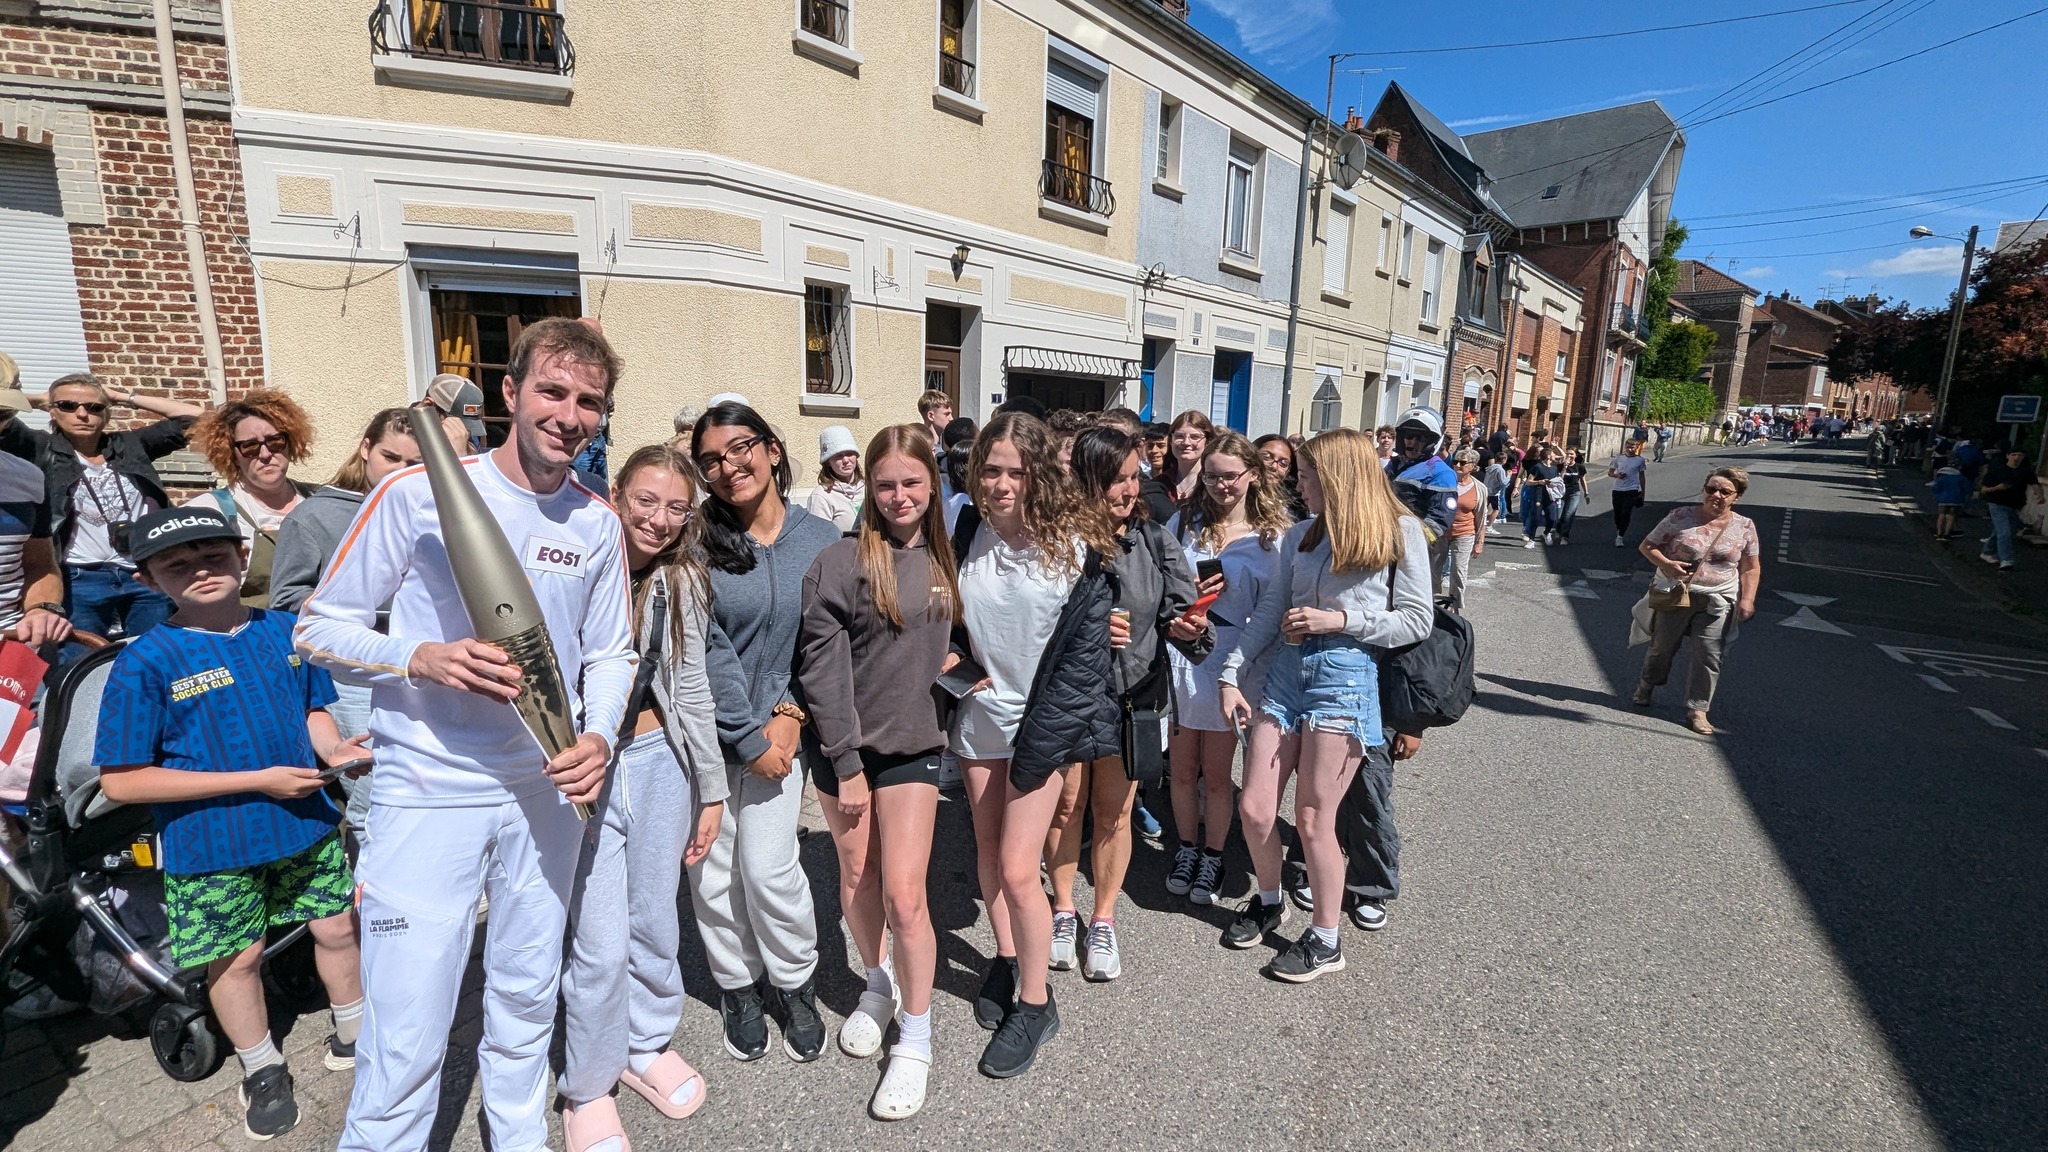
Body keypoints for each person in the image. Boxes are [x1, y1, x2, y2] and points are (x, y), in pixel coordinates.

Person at [298, 317, 635, 1152]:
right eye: (552, 392)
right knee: (408, 1022)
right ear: (511, 394)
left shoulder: (596, 522)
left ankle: (515, 1133)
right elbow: (318, 627)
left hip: (544, 791)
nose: (570, 414)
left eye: (589, 401)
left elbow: (611, 651)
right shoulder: (413, 496)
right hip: (428, 789)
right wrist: (421, 657)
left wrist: (598, 737)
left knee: (526, 992)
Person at [96, 506, 368, 1140]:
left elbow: (315, 709)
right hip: (209, 842)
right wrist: (257, 779)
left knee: (336, 928)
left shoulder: (285, 631)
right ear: (147, 577)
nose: (200, 571)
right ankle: (261, 1067)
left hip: (303, 822)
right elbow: (122, 779)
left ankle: (355, 1029)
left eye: (213, 556)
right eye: (177, 564)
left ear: (242, 557)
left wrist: (333, 753)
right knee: (236, 960)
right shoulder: (146, 662)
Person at [557, 444, 726, 1150]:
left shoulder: (680, 579)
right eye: (646, 501)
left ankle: (647, 1043)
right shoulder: (572, 562)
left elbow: (689, 686)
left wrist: (711, 787)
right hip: (583, 771)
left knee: (657, 918)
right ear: (617, 493)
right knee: (597, 943)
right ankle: (587, 1085)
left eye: (676, 507)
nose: (657, 519)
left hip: (659, 761)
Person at [1218, 428, 1431, 980]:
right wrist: (1232, 672)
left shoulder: (1399, 531)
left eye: (1308, 475)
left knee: (1314, 818)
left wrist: (1340, 620)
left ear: (1338, 478)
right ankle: (1269, 900)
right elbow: (1272, 612)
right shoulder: (1302, 535)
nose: (1298, 483)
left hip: (1346, 676)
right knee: (1256, 808)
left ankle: (1327, 939)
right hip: (1286, 674)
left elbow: (1417, 619)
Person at [951, 411, 1119, 1077]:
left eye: (1015, 471)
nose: (999, 483)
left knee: (1023, 868)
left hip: (1039, 734)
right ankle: (1006, 957)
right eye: (990, 469)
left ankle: (1036, 1002)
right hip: (976, 725)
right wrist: (955, 670)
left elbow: (1083, 670)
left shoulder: (1075, 549)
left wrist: (1042, 743)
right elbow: (945, 626)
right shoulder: (965, 531)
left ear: (1039, 475)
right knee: (989, 856)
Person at [797, 425, 958, 1119]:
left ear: (932, 485)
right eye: (885, 483)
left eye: (911, 483)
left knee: (905, 894)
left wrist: (965, 670)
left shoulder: (953, 560)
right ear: (868, 485)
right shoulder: (837, 563)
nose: (899, 496)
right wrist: (845, 761)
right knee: (856, 876)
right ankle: (877, 984)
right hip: (846, 752)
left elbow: (982, 639)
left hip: (916, 747)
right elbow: (821, 673)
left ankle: (915, 1039)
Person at [686, 401, 841, 1064]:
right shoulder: (697, 542)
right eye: (711, 460)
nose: (728, 467)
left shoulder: (823, 540)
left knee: (770, 868)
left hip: (783, 738)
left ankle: (794, 984)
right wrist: (747, 735)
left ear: (773, 450)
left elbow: (829, 644)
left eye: (739, 448)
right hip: (707, 738)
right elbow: (703, 646)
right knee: (714, 875)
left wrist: (790, 713)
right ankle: (738, 988)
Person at [1045, 426, 1212, 980]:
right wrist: (1088, 627)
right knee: (1065, 808)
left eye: (1134, 476)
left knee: (1113, 813)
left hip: (1131, 696)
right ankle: (1064, 909)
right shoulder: (1057, 537)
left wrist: (1189, 629)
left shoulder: (1154, 540)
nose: (1130, 489)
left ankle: (1104, 919)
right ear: (1087, 481)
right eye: (1116, 479)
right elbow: (1034, 621)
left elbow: (1178, 614)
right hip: (1069, 697)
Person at [268, 408, 424, 839]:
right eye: (391, 458)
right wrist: (366, 612)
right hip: (353, 677)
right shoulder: (317, 515)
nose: (401, 471)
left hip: (420, 669)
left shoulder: (428, 508)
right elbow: (285, 599)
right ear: (365, 449)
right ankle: (367, 897)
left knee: (419, 786)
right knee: (374, 792)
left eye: (414, 464)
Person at [1165, 431, 1290, 918]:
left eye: (1230, 476)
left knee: (1216, 775)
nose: (1220, 485)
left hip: (1235, 662)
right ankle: (1186, 848)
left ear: (1253, 476)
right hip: (1183, 652)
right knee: (1180, 769)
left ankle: (1213, 856)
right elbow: (1163, 585)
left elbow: (1274, 612)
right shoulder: (1185, 523)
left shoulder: (1274, 538)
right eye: (1212, 476)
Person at [0, 371, 201, 640]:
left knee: (159, 652)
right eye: (68, 406)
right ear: (53, 411)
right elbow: (5, 408)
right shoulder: (39, 446)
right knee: (78, 660)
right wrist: (41, 399)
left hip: (141, 574)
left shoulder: (129, 445)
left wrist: (121, 397)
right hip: (78, 578)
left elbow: (198, 419)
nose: (82, 414)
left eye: (94, 407)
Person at [1631, 467, 1761, 736]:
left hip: (1718, 598)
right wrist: (1667, 565)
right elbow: (1648, 546)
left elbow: (1750, 566)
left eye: (1725, 492)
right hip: (1677, 594)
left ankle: (1698, 710)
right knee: (1662, 647)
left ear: (1737, 496)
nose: (1716, 495)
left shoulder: (1744, 526)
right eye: (1711, 489)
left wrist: (1747, 599)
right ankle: (1647, 683)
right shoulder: (1680, 516)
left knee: (1709, 654)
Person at [187, 389, 317, 607]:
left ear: (290, 442)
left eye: (275, 441)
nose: (265, 454)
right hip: (254, 635)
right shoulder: (208, 512)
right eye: (250, 446)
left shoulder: (319, 501)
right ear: (232, 454)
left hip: (318, 632)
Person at [0, 391, 70, 649]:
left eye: (2, 413)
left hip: (12, 643)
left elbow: (39, 564)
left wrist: (42, 609)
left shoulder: (29, 476)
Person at [1444, 448, 1486, 613]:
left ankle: (1455, 607)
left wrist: (1480, 542)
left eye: (1462, 463)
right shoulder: (1445, 482)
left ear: (1473, 466)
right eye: (1455, 462)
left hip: (1465, 533)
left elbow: (1481, 519)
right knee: (1433, 569)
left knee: (1459, 572)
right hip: (1441, 532)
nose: (1458, 465)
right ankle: (1430, 604)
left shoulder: (1479, 488)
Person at [805, 425, 865, 533]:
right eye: (838, 455)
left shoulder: (868, 488)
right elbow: (819, 537)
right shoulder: (821, 497)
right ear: (828, 462)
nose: (846, 460)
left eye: (849, 453)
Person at [1978, 448, 2030, 571]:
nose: (2017, 457)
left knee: (2002, 531)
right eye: (2014, 454)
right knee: (2004, 532)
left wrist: (2039, 495)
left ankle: (1987, 552)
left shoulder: (2025, 471)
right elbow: (1984, 489)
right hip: (1997, 503)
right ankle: (2006, 559)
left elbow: (2034, 483)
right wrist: (1997, 488)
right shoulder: (1998, 470)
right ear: (2007, 456)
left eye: (2020, 455)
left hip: (2014, 505)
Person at [1162, 410, 1214, 507]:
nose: (1186, 442)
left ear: (1207, 442)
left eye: (1195, 437)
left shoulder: (1213, 484)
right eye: (1179, 436)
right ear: (1170, 441)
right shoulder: (1159, 484)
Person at [1255, 433, 1311, 521]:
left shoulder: (1294, 505)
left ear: (1288, 471)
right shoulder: (1234, 494)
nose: (1274, 466)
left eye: (1283, 464)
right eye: (1267, 457)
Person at [1608, 438, 1649, 547]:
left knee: (1626, 513)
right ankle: (1619, 529)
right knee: (1617, 514)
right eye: (1628, 446)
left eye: (1632, 446)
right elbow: (1610, 473)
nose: (1630, 448)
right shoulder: (1618, 458)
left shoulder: (1640, 460)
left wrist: (1642, 492)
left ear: (1636, 448)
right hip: (1617, 489)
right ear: (1625, 446)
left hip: (1632, 489)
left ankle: (1620, 537)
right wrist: (1617, 475)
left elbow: (1641, 476)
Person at [1519, 444, 1559, 548]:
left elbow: (1556, 480)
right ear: (1549, 456)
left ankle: (1547, 533)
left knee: (1552, 518)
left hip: (1551, 496)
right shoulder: (1538, 467)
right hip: (1539, 495)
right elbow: (1528, 481)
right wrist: (1540, 482)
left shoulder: (1554, 468)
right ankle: (1531, 540)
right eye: (1553, 454)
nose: (1555, 456)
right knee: (1536, 518)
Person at [1930, 461, 1970, 541]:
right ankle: (1947, 534)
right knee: (1951, 516)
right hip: (1956, 499)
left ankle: (1939, 533)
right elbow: (1967, 489)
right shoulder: (1961, 478)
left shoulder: (1942, 478)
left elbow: (1935, 489)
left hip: (1943, 499)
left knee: (1941, 515)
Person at [1555, 449, 1588, 545]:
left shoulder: (1580, 467)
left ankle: (1565, 536)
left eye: (1571, 454)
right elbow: (1559, 480)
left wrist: (1586, 493)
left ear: (1575, 455)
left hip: (1574, 493)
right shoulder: (1560, 466)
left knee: (1568, 515)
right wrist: (1564, 467)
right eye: (1567, 453)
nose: (1569, 455)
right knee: (1558, 515)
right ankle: (1558, 530)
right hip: (1561, 493)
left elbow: (1582, 480)